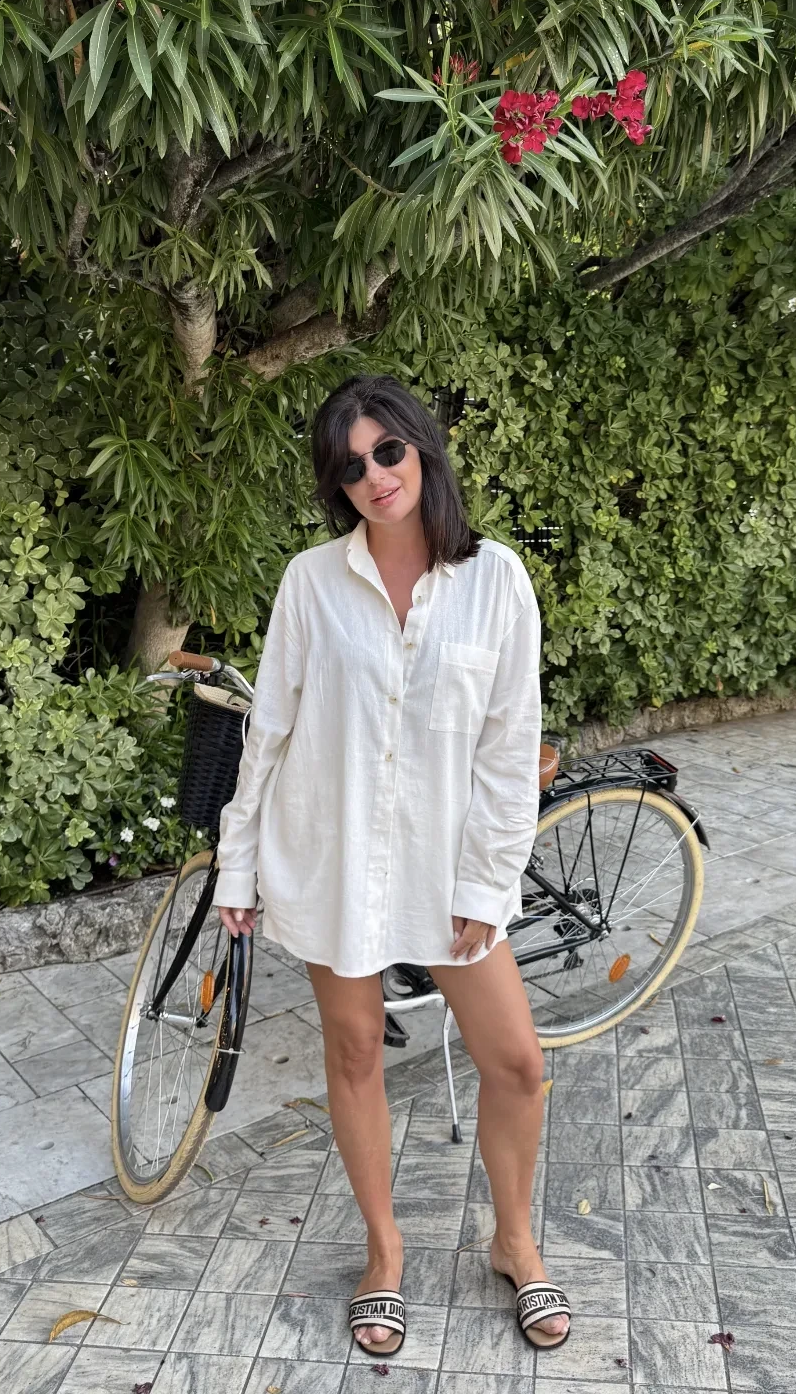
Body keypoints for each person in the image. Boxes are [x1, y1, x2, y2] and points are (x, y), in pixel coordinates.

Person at [213, 374, 571, 1355]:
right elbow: (270, 730)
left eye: (388, 450)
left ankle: (514, 1239)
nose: (374, 475)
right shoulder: (311, 583)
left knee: (518, 1062)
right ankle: (384, 1251)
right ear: (335, 485)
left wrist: (487, 883)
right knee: (356, 1051)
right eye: (350, 465)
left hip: (448, 871)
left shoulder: (496, 580)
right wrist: (237, 868)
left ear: (422, 448)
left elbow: (509, 745)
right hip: (331, 860)